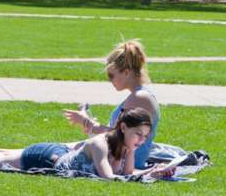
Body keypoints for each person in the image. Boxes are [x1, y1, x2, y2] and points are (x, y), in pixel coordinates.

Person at [0, 108, 173, 179]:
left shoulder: (126, 146)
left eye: (145, 136)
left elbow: (130, 173)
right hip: (45, 157)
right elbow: (110, 179)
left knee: (0, 154)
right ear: (123, 128)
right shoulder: (101, 144)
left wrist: (153, 171)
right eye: (138, 135)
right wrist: (147, 175)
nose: (142, 141)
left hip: (61, 151)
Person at [63, 39, 160, 169]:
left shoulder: (139, 97)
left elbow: (119, 136)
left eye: (111, 75)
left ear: (126, 72)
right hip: (116, 157)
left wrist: (88, 123)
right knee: (60, 149)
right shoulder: (138, 95)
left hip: (124, 163)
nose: (110, 80)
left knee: (57, 153)